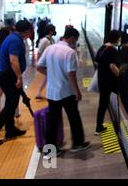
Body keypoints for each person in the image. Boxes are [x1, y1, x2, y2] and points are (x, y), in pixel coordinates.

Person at [36, 27, 90, 157]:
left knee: (52, 121)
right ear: (72, 38)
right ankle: (77, 144)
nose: (74, 43)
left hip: (51, 92)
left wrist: (51, 75)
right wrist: (77, 91)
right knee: (74, 117)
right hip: (66, 92)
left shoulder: (50, 48)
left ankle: (50, 150)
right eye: (75, 41)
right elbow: (71, 74)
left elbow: (39, 66)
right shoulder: (70, 52)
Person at [0, 20, 31, 146]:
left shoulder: (13, 37)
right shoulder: (15, 40)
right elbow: (13, 60)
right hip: (8, 76)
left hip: (7, 75)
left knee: (12, 102)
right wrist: (19, 78)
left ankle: (10, 130)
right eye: (30, 31)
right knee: (11, 104)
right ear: (26, 31)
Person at [94, 30, 121, 135]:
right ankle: (98, 128)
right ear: (115, 39)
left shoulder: (103, 47)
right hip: (108, 81)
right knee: (103, 103)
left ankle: (99, 126)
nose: (119, 41)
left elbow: (97, 61)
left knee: (102, 103)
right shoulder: (112, 50)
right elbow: (112, 66)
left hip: (102, 79)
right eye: (118, 39)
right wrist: (120, 76)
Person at [0, 26, 20, 117]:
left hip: (10, 73)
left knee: (13, 94)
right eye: (10, 33)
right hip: (1, 72)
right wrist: (3, 62)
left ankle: (15, 112)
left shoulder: (10, 44)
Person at [35, 24, 56, 100]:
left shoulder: (52, 40)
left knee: (49, 76)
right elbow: (39, 51)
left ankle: (39, 93)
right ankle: (43, 92)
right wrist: (38, 62)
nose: (54, 32)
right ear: (50, 31)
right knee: (50, 76)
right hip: (45, 63)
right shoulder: (44, 40)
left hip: (50, 62)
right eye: (53, 30)